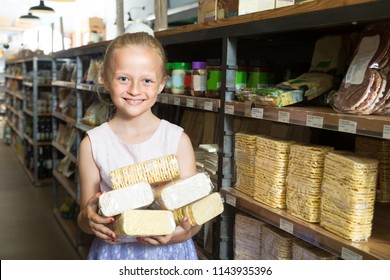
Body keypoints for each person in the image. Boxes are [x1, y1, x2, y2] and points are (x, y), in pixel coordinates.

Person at [77, 32, 200, 260]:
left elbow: (193, 220)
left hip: (170, 255)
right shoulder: (92, 145)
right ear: (105, 78)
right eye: (123, 78)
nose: (134, 90)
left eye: (147, 80)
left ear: (162, 84)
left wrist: (178, 234)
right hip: (115, 254)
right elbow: (85, 220)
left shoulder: (177, 141)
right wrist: (89, 218)